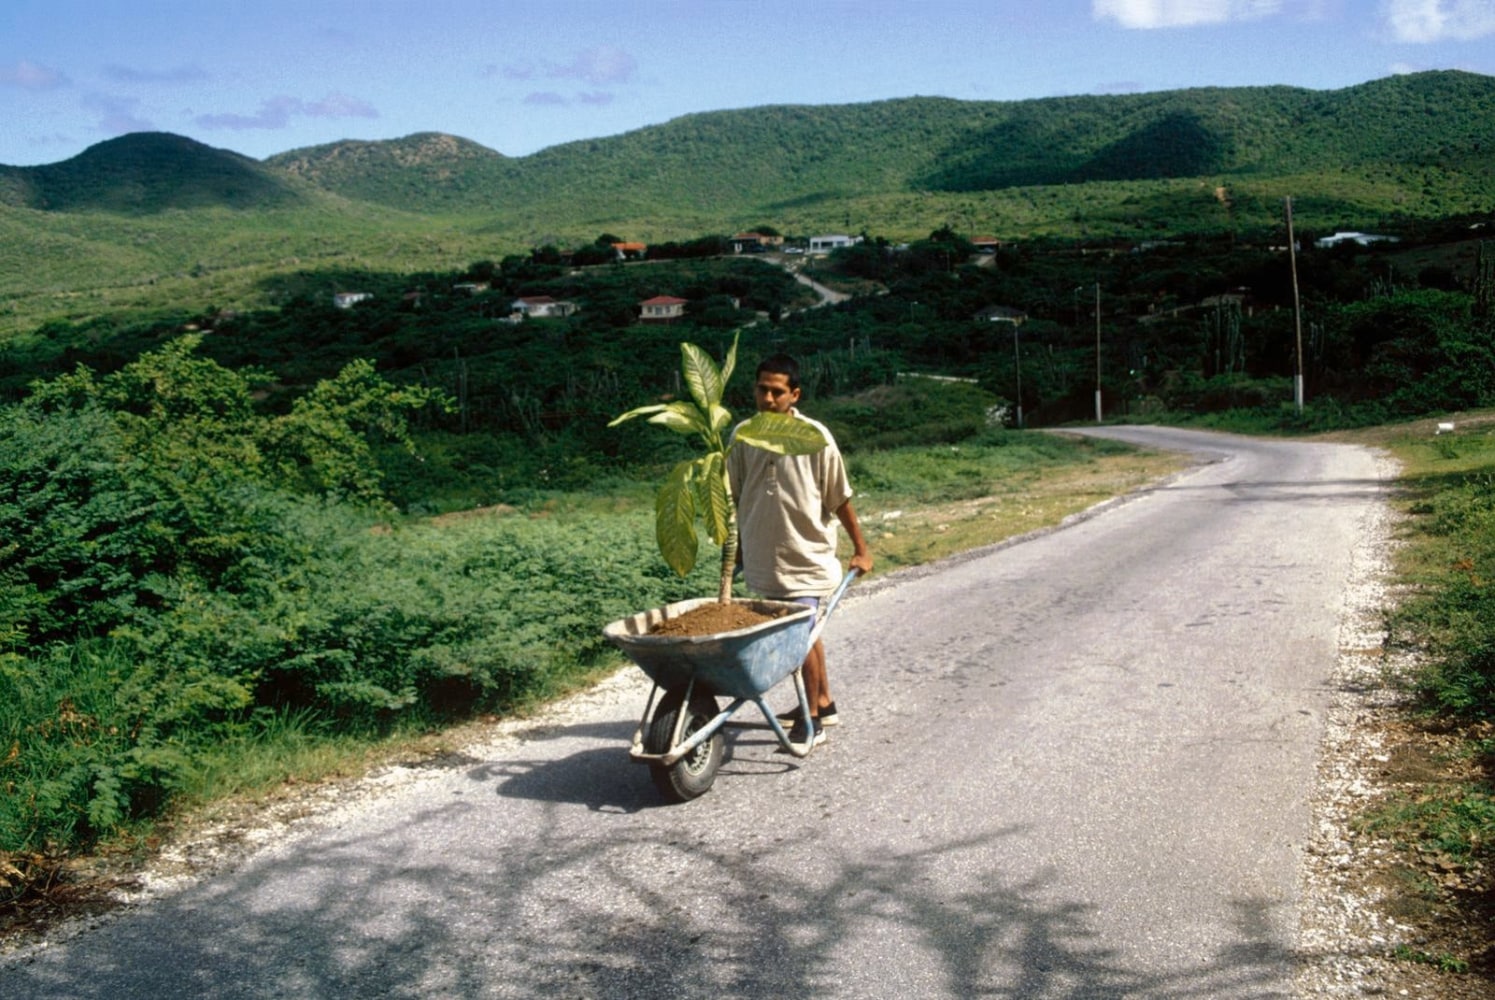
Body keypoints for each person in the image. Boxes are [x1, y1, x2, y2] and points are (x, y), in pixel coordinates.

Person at [727, 353, 873, 750]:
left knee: (799, 635)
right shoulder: (742, 436)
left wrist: (862, 550)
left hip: (806, 557)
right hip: (764, 558)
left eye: (778, 392)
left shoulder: (814, 438)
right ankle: (824, 703)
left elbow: (840, 497)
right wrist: (738, 553)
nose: (769, 398)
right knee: (806, 633)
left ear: (795, 395)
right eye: (762, 389)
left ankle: (811, 722)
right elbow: (737, 496)